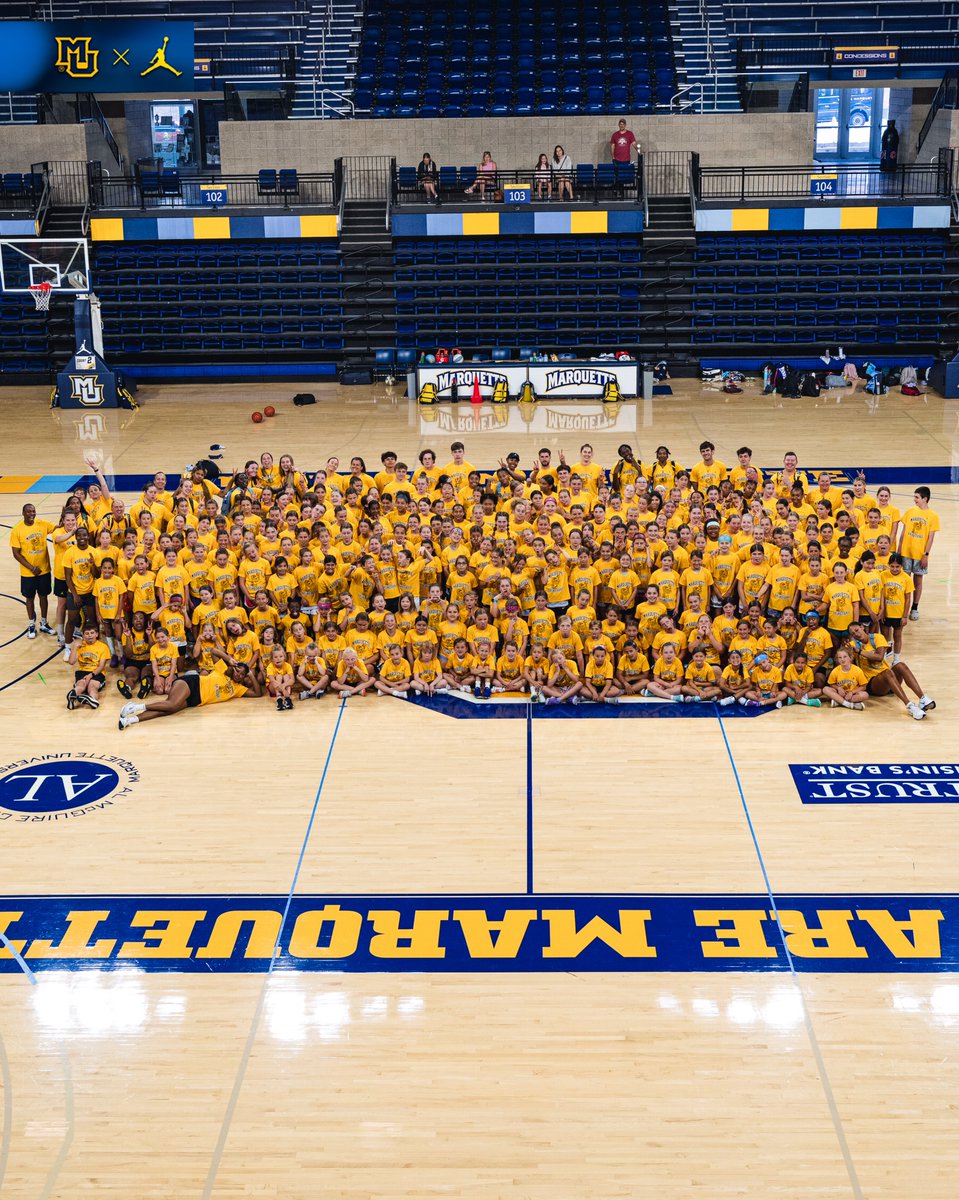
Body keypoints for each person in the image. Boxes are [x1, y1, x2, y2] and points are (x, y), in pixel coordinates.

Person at [118, 660, 264, 728]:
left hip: (197, 700)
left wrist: (251, 675)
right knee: (172, 704)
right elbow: (214, 651)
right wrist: (230, 660)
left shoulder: (238, 689)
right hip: (193, 683)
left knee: (166, 710)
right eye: (238, 671)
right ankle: (134, 707)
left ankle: (129, 721)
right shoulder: (222, 671)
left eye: (242, 674)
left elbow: (257, 693)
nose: (238, 675)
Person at [9, 502, 55, 638]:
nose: (32, 514)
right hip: (28, 573)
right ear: (23, 513)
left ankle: (44, 623)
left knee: (43, 596)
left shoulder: (42, 524)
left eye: (33, 511)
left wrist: (66, 515)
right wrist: (32, 568)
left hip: (44, 570)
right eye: (29, 511)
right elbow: (16, 553)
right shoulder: (17, 530)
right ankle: (31, 624)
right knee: (29, 598)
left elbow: (58, 527)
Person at [898, 486, 938, 621]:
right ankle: (903, 606)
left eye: (917, 497)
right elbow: (903, 532)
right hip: (906, 552)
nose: (914, 499)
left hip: (920, 554)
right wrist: (899, 549)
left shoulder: (933, 516)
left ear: (925, 499)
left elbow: (930, 538)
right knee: (904, 581)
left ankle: (914, 607)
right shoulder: (910, 511)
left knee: (918, 581)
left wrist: (926, 554)